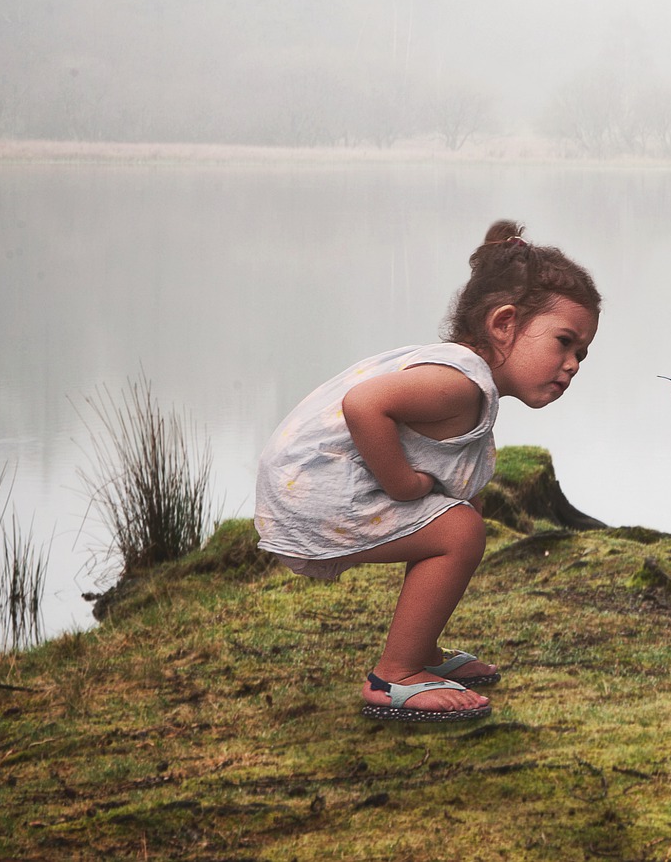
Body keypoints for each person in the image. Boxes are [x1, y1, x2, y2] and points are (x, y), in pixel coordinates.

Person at [254, 220, 600, 722]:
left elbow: (440, 456)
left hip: (305, 484)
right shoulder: (458, 383)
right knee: (460, 532)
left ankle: (420, 651)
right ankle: (395, 674)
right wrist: (400, 484)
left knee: (462, 517)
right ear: (504, 324)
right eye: (564, 343)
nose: (572, 364)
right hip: (309, 492)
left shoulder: (460, 374)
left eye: (581, 353)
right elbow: (364, 405)